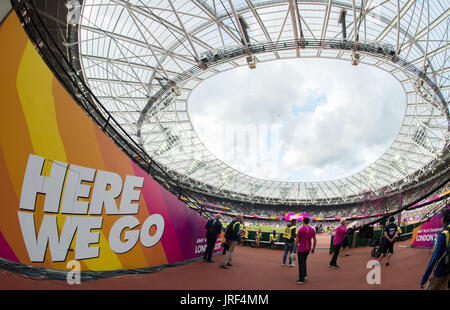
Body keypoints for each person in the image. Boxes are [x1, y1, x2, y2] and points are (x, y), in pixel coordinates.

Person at [420, 209, 450, 290]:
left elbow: (434, 257)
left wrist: (425, 277)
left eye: (441, 218)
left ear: (444, 218)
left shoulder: (443, 234)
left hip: (441, 270)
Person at [294, 217, 317, 284]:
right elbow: (315, 240)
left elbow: (297, 240)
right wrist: (313, 248)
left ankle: (301, 278)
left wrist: (294, 249)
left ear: (303, 221)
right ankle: (304, 275)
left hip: (301, 248)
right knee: (304, 261)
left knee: (301, 263)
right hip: (308, 248)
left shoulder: (301, 229)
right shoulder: (312, 229)